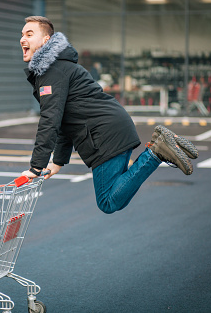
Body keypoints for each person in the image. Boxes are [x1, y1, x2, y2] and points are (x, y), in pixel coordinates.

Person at [20, 16, 199, 214]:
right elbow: (62, 120)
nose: (22, 39)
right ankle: (157, 149)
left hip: (104, 134)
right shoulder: (56, 68)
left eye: (29, 34)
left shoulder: (52, 71)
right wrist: (57, 162)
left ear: (46, 41)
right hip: (112, 127)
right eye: (22, 35)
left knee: (108, 201)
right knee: (112, 197)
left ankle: (156, 152)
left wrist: (37, 166)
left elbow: (50, 120)